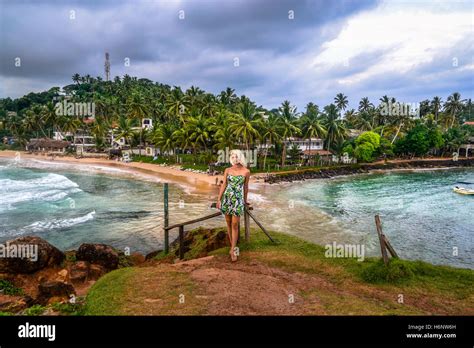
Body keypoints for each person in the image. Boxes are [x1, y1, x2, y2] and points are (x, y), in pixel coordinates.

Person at [216, 149, 250, 262]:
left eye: (237, 157)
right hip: (227, 199)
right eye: (233, 157)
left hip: (238, 201)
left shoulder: (246, 171)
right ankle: (232, 248)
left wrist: (245, 201)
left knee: (235, 225)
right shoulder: (227, 170)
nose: (235, 159)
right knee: (229, 223)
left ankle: (233, 249)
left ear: (241, 158)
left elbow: (245, 188)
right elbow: (224, 184)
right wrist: (218, 199)